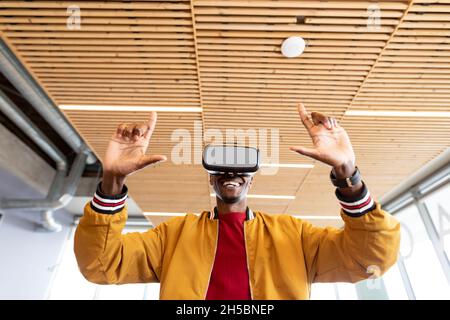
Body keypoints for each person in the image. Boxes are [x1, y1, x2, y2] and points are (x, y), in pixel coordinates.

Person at [74, 103, 400, 300]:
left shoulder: (296, 238)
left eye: (241, 168)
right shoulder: (172, 237)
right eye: (220, 168)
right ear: (211, 178)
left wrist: (347, 172)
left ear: (252, 178)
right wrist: (112, 181)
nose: (231, 173)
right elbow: (100, 264)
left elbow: (369, 259)